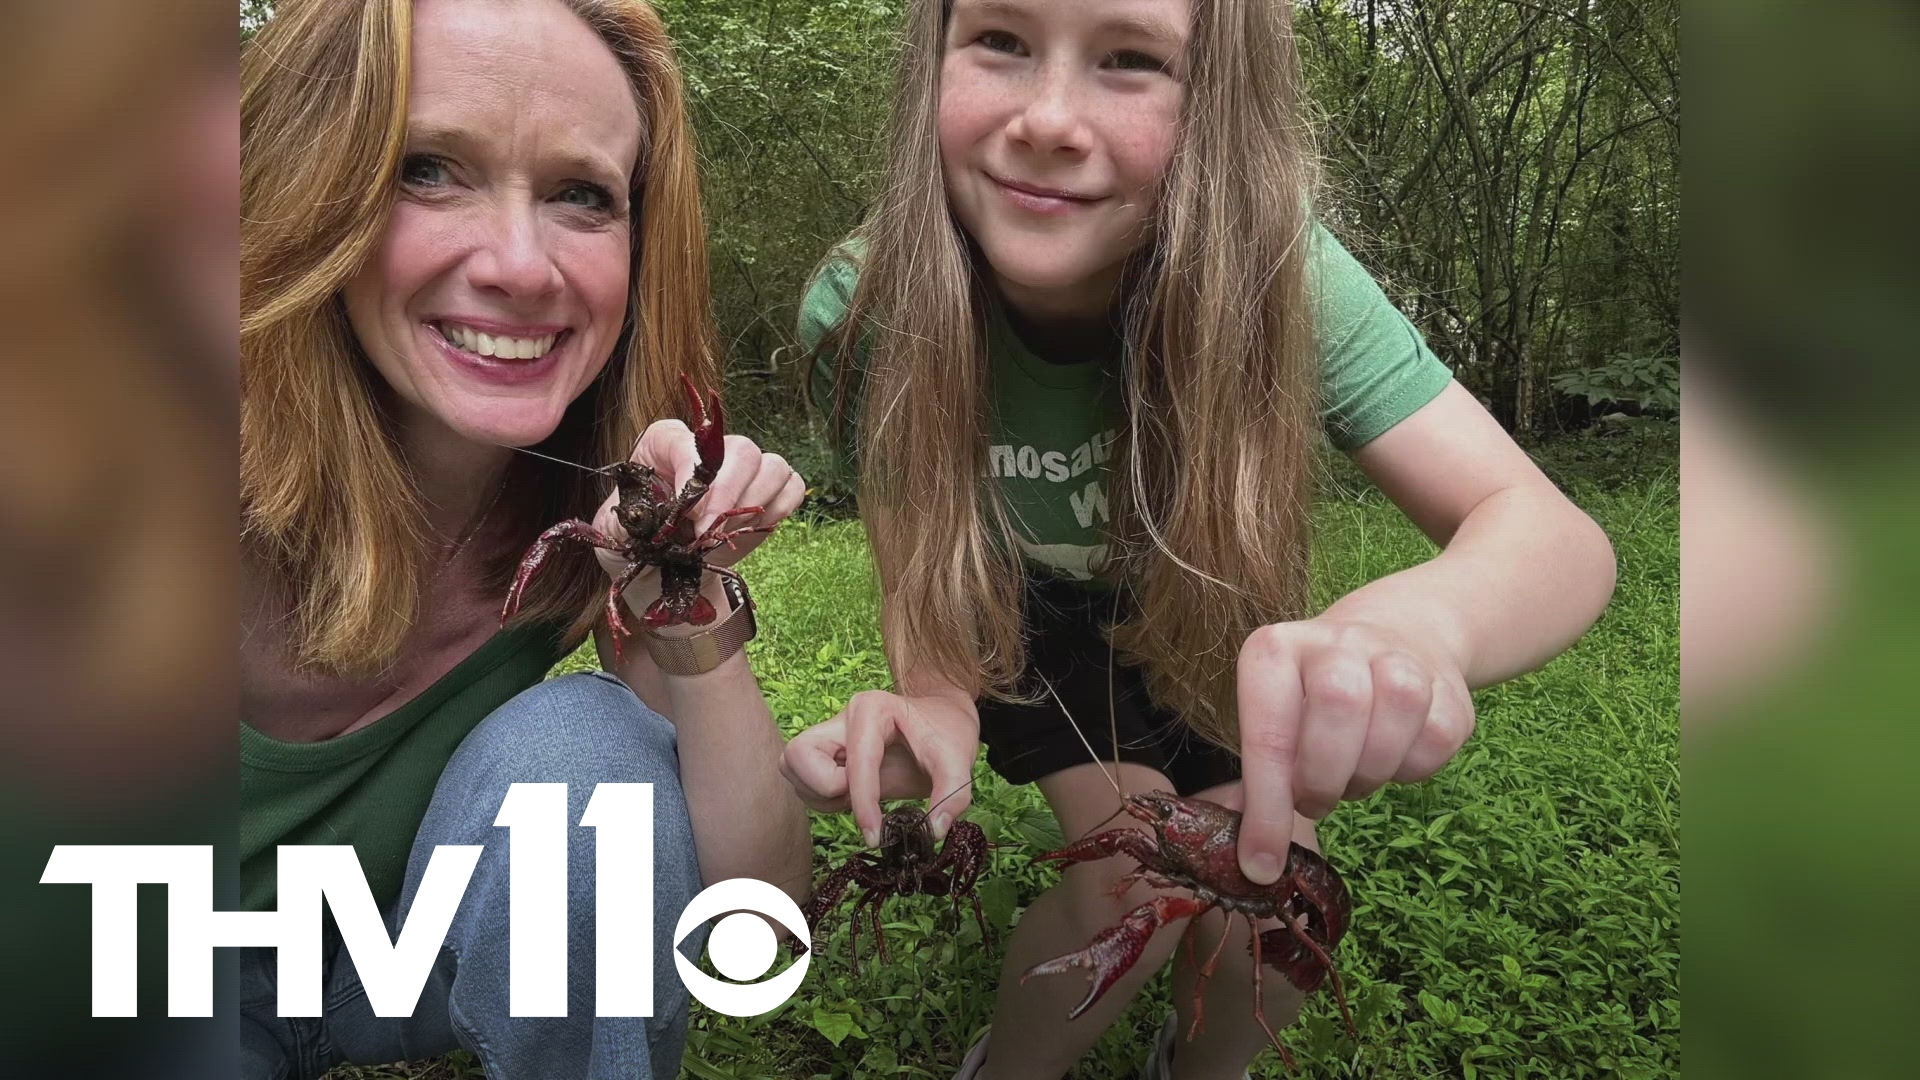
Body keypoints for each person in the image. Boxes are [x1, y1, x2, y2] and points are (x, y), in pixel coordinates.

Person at [777, 1, 1618, 1077]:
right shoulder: (868, 308)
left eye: (1131, 60)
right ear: (928, 58)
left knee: (1281, 916)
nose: (1049, 118)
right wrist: (935, 700)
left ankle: (1199, 1067)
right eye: (1000, 39)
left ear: (1220, 99)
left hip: (1211, 604)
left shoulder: (1285, 278)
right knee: (1128, 884)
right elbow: (923, 568)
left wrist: (1414, 625)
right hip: (1037, 616)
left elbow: (1552, 533)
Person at [240, 1, 809, 1078]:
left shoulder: (590, 519)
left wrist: (684, 613)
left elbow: (760, 915)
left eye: (581, 195)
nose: (520, 264)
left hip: (392, 965)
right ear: (312, 183)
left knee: (587, 763)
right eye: (429, 169)